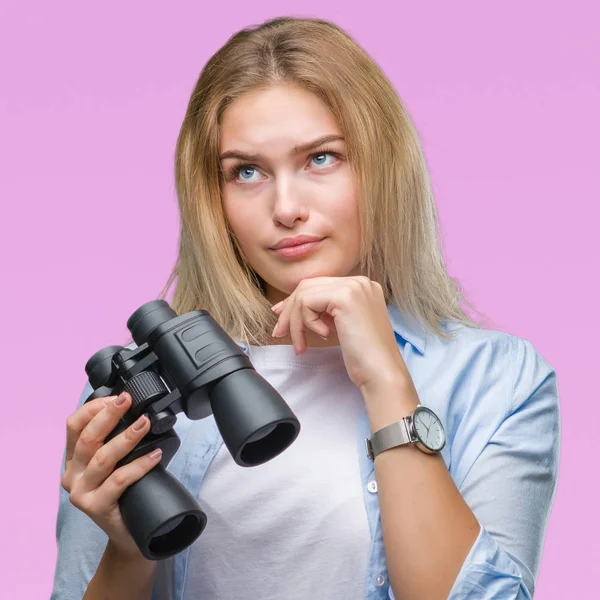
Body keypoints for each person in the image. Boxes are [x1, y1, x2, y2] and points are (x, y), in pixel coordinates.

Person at [50, 16, 560, 600]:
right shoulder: (139, 401)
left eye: (321, 159)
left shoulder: (500, 380)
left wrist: (387, 381)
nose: (286, 207)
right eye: (246, 172)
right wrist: (125, 550)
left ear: (382, 168)